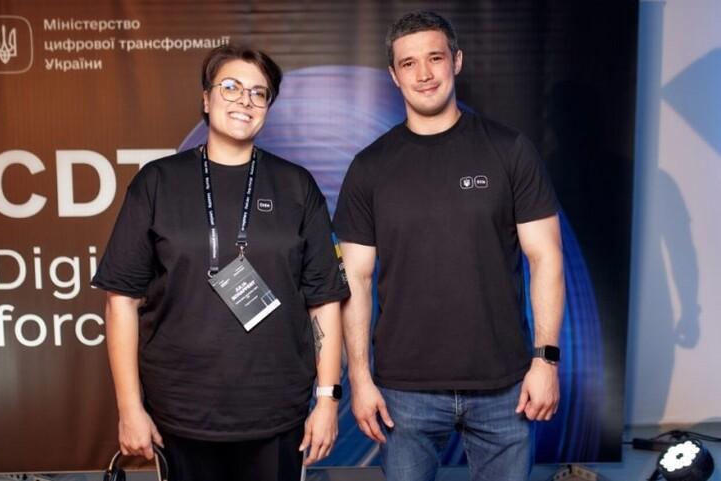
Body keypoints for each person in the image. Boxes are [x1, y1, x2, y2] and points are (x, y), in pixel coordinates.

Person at [92, 44, 349, 481]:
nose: (244, 101)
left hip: (277, 413)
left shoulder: (295, 186)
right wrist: (129, 408)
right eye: (230, 87)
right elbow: (121, 302)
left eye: (258, 93)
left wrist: (326, 400)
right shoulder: (157, 182)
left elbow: (323, 300)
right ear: (206, 99)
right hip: (181, 414)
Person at [333, 10, 565, 481]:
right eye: (409, 63)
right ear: (394, 76)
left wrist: (546, 360)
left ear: (456, 61)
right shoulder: (370, 167)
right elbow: (353, 278)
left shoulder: (508, 150)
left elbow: (545, 258)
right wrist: (358, 377)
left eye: (435, 58)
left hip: (505, 386)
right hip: (404, 392)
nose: (424, 73)